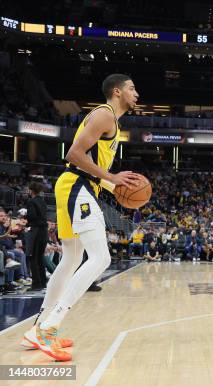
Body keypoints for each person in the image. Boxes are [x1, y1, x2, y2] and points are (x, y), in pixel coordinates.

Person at [21, 74, 141, 361]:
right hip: (77, 186)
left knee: (72, 259)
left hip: (76, 186)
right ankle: (49, 328)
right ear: (117, 91)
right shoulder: (104, 114)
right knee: (101, 258)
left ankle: (37, 329)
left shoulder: (113, 121)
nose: (137, 93)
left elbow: (91, 164)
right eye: (132, 88)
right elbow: (74, 154)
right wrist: (111, 177)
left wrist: (113, 185)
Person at [25, 181, 49, 291]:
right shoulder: (42, 202)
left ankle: (36, 284)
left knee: (33, 257)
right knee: (40, 258)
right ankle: (43, 282)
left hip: (35, 231)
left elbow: (32, 217)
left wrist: (25, 217)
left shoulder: (31, 202)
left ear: (31, 190)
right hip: (44, 232)